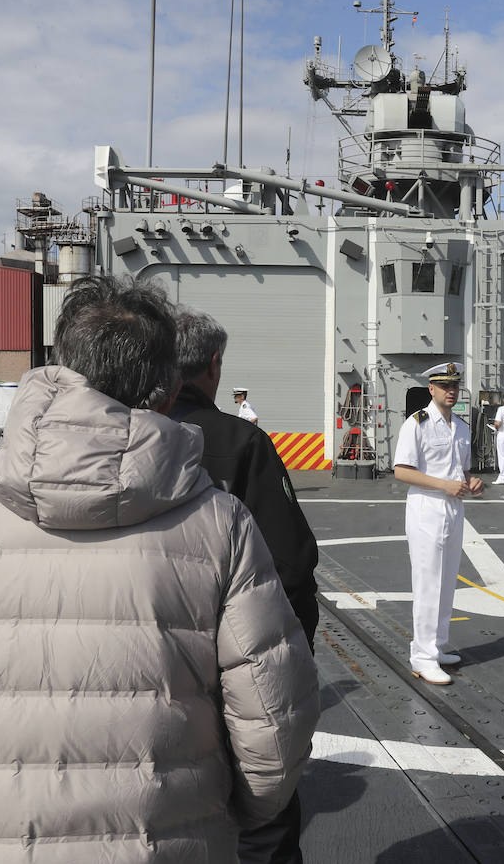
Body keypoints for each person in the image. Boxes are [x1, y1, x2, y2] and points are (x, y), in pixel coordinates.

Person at [0, 276, 319, 861]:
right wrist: (236, 812)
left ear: (62, 372)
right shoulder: (220, 521)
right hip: (170, 840)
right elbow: (271, 721)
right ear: (167, 392)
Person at [172, 308, 320, 864]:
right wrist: (290, 662)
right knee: (263, 826)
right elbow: (291, 567)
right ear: (214, 364)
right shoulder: (240, 441)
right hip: (236, 675)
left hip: (148, 682)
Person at [393, 361, 484, 686]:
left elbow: (461, 471)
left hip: (454, 509)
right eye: (445, 385)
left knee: (446, 582)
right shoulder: (416, 424)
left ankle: (437, 645)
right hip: (427, 509)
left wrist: (473, 483)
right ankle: (422, 656)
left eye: (455, 385)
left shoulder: (460, 427)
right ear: (431, 389)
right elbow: (401, 470)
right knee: (428, 584)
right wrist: (444, 485)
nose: (451, 391)